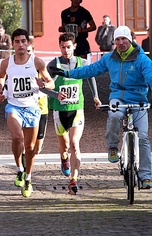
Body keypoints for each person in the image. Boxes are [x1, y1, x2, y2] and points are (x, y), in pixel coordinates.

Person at [50, 26, 152, 189]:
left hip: (138, 98)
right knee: (115, 116)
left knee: (143, 137)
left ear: (130, 39)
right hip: (117, 97)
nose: (121, 42)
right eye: (117, 40)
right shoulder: (110, 58)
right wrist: (67, 74)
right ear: (114, 42)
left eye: (124, 39)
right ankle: (112, 146)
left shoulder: (142, 59)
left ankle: (145, 176)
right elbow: (90, 70)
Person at [0, 28, 55, 198]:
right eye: (17, 41)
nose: (20, 44)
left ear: (28, 44)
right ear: (13, 44)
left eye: (23, 41)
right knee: (17, 138)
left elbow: (51, 83)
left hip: (32, 108)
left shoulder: (37, 62)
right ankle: (19, 169)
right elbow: (0, 77)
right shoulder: (7, 63)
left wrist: (43, 84)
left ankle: (28, 178)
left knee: (30, 148)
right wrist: (1, 90)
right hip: (13, 106)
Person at [47, 32, 101, 194]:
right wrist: (55, 94)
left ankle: (74, 179)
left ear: (74, 46)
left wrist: (96, 96)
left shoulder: (82, 63)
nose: (66, 50)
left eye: (68, 47)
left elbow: (90, 77)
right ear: (59, 47)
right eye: (63, 47)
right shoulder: (53, 65)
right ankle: (64, 159)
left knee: (74, 144)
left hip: (77, 109)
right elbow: (43, 87)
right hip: (59, 110)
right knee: (64, 147)